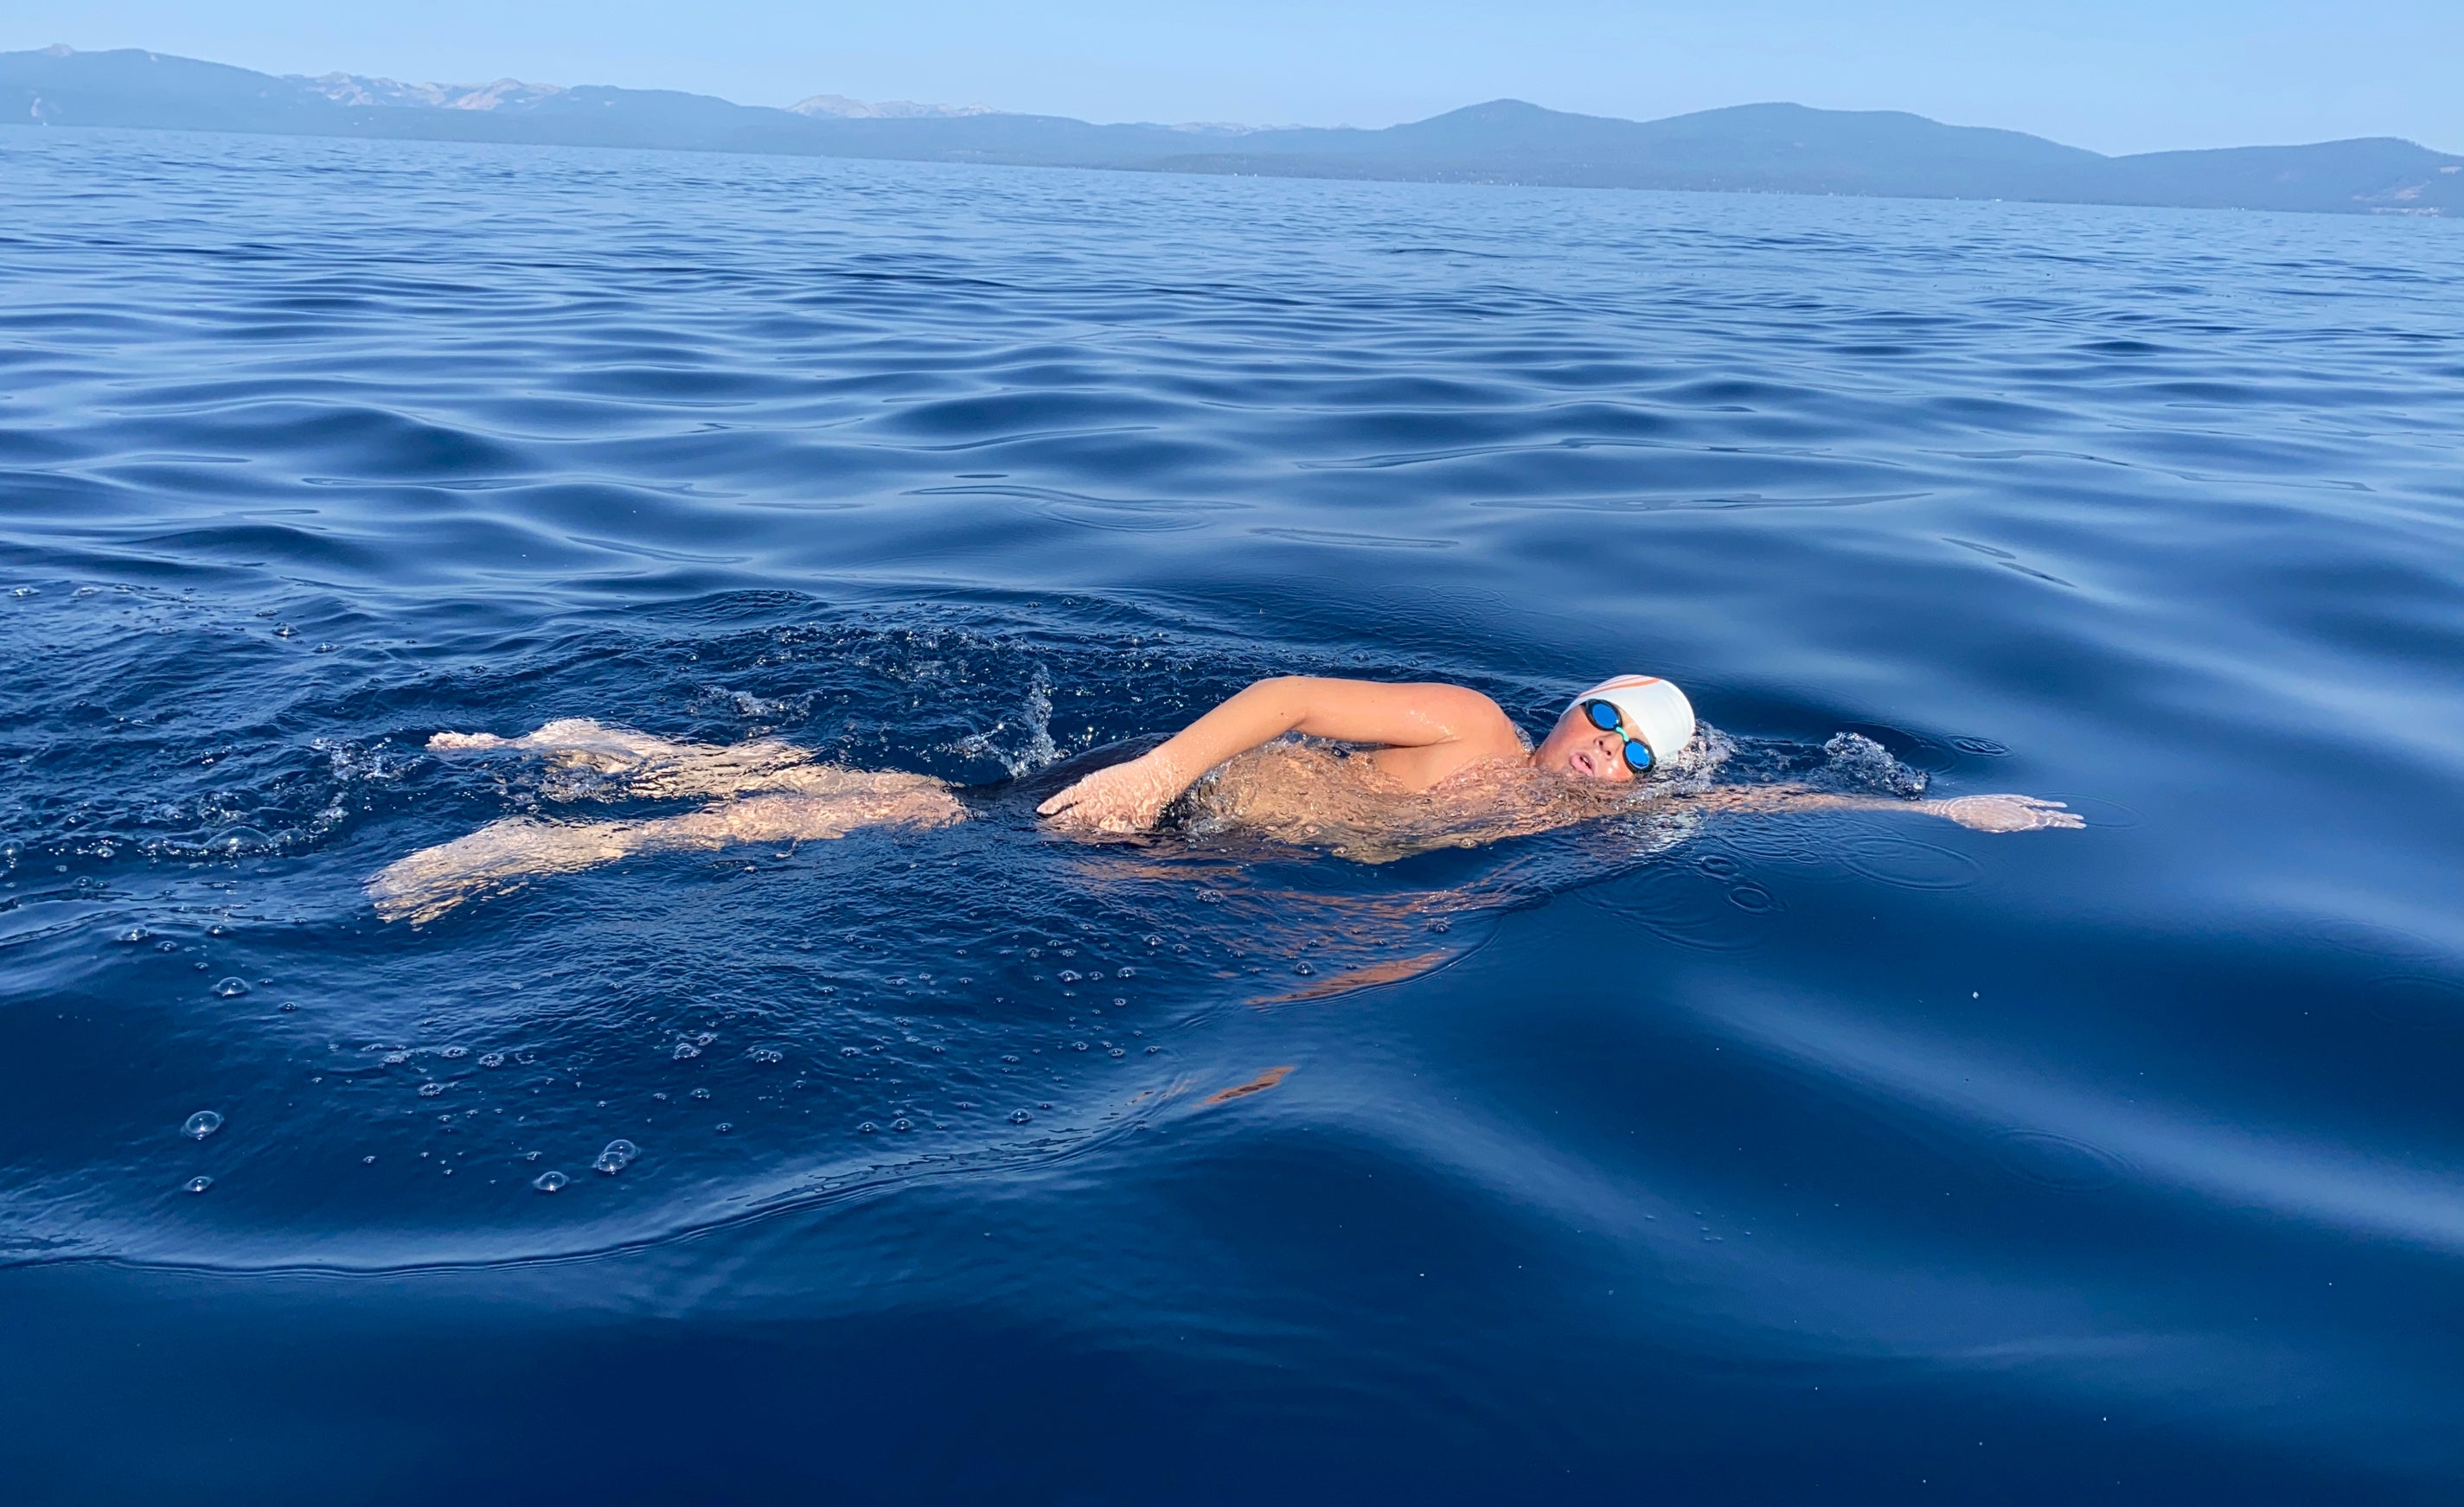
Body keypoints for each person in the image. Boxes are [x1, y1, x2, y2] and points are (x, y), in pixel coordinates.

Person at [365, 674, 2079, 925]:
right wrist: (1157, 773)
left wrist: (1939, 821)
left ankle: (589, 756)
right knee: (882, 806)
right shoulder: (1472, 725)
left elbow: (1772, 814)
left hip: (1206, 853)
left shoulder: (1581, 826)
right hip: (1162, 797)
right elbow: (1280, 698)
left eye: (1636, 756)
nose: (1598, 756)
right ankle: (563, 818)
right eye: (1598, 725)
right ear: (1568, 710)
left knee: (878, 797)